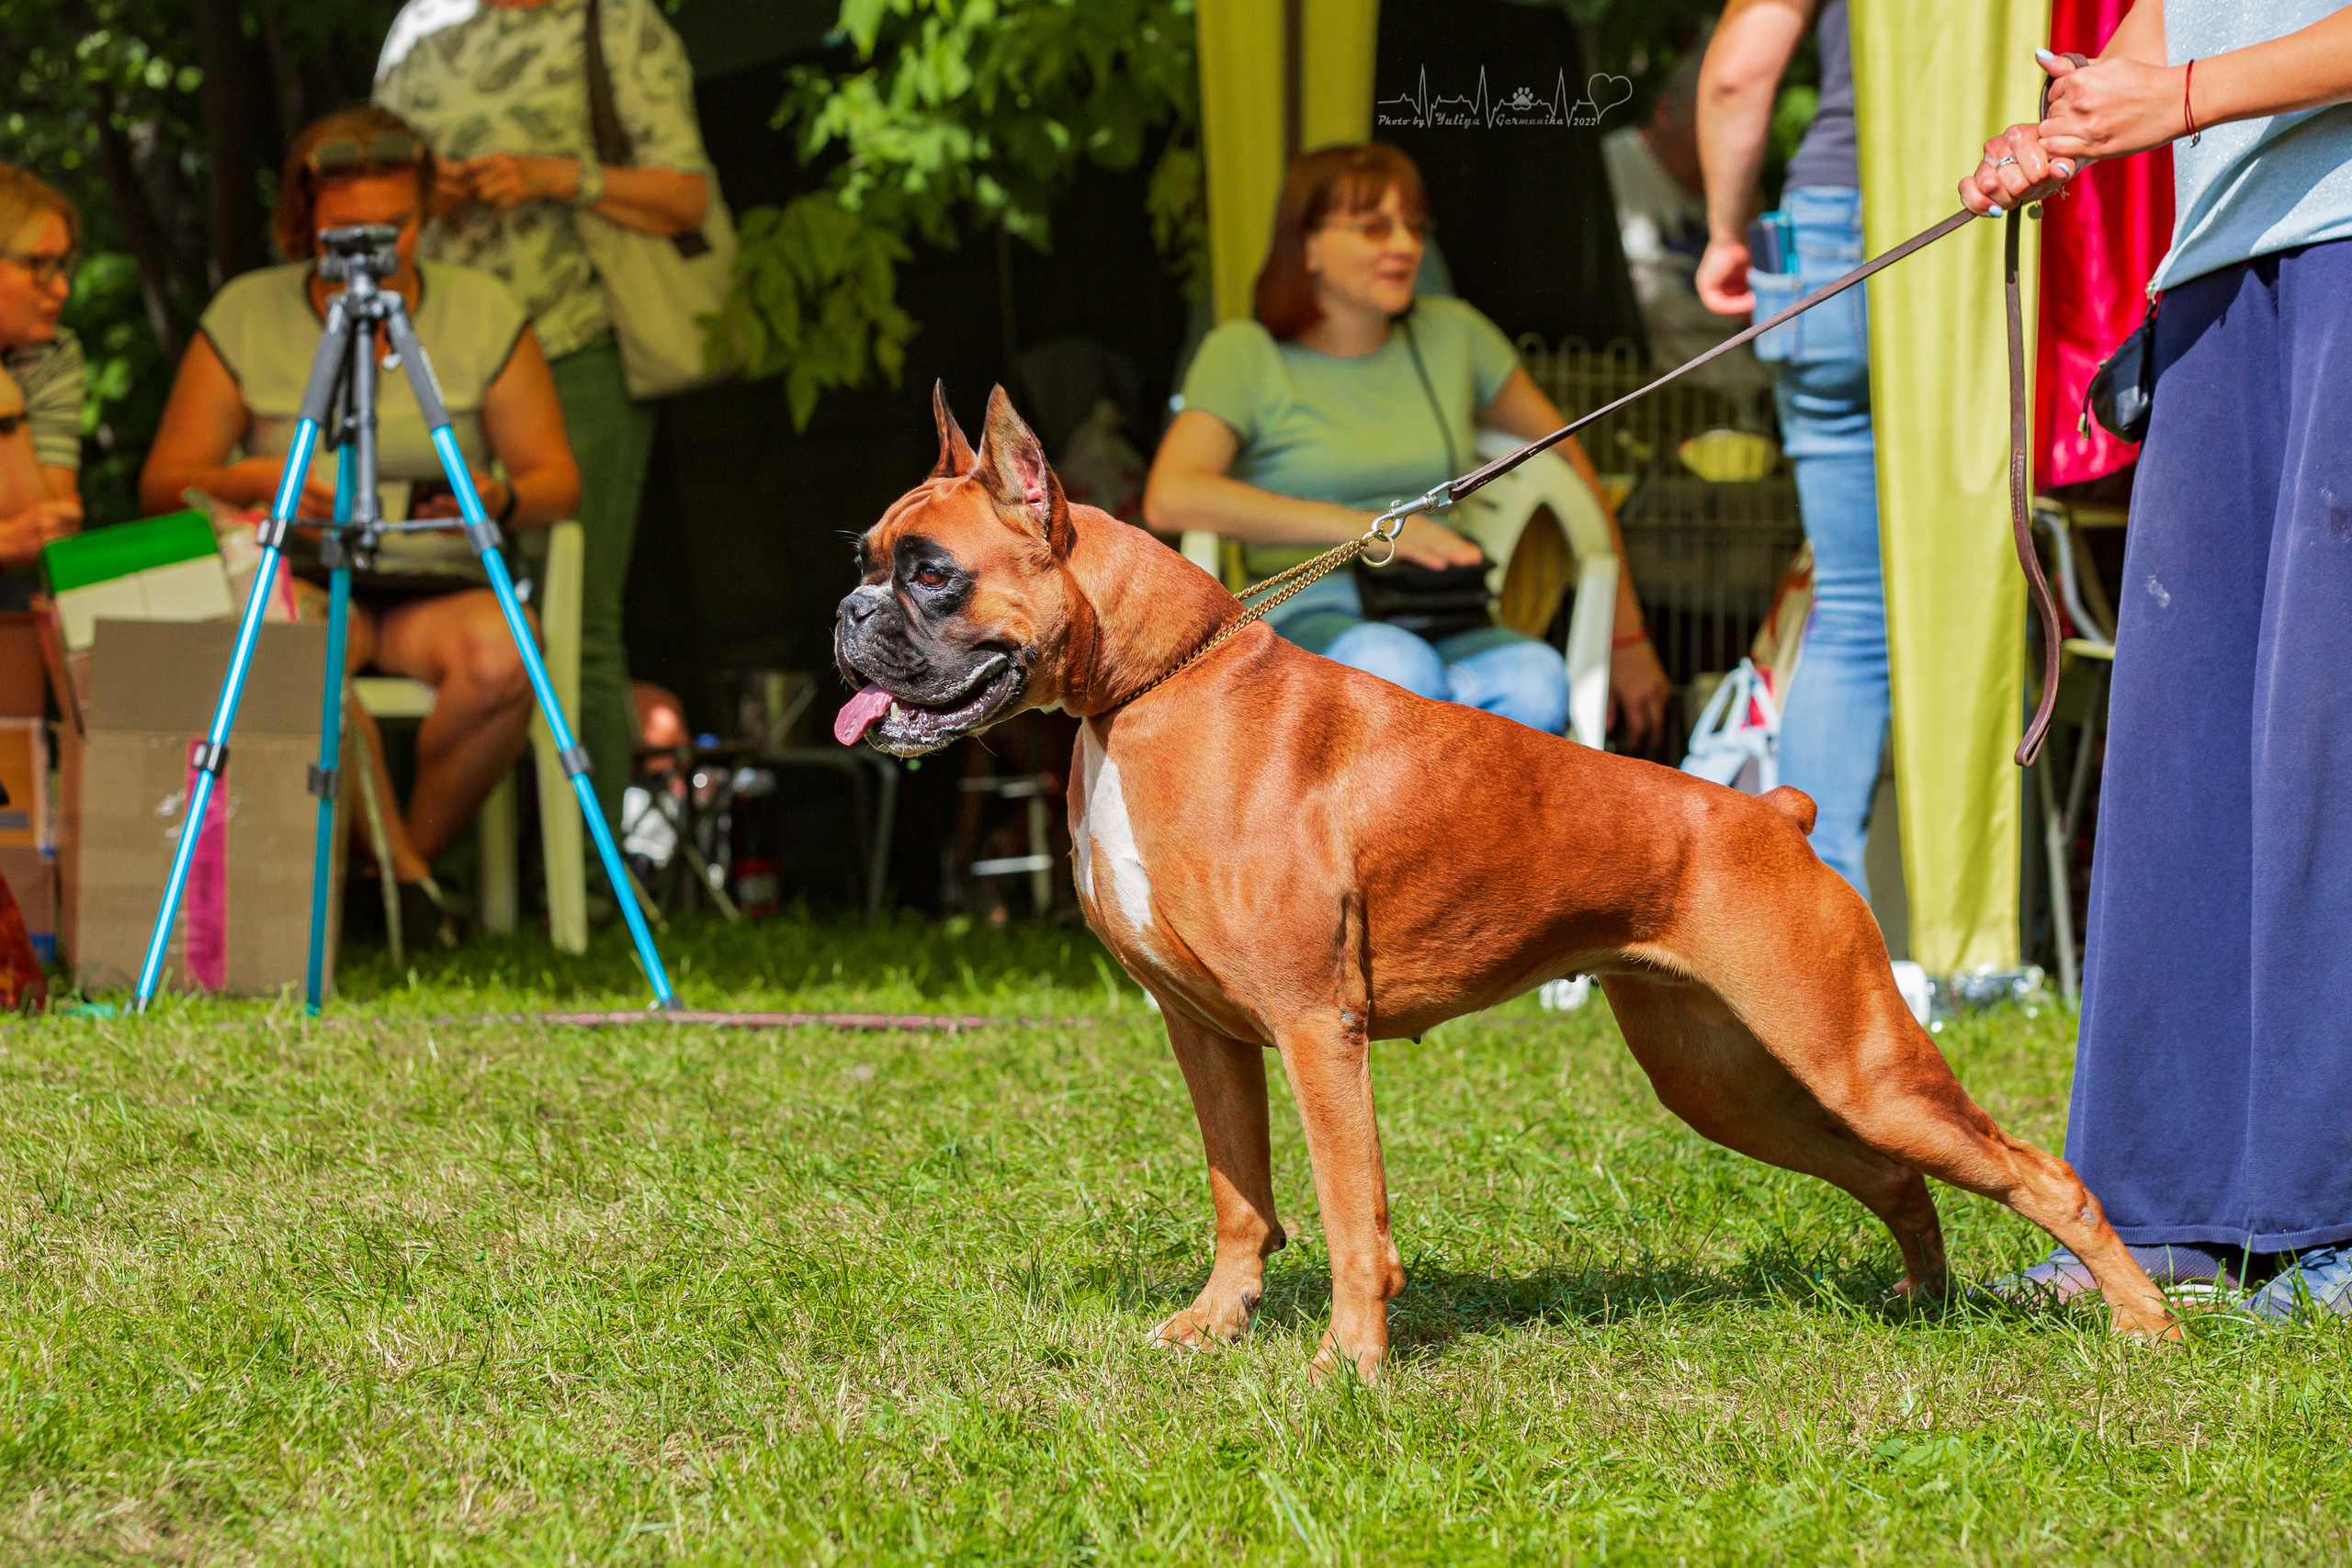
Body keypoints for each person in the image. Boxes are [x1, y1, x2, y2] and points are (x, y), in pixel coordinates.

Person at [1964, 4, 2352, 1320]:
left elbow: (2187, 68)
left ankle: (2330, 1214)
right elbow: (2176, 23)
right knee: (2181, 762)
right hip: (2219, 267)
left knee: (2328, 742)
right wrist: (2072, 124)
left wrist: (2182, 97)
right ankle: (2167, 1206)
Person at [141, 107, 582, 949]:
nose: (372, 255)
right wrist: (259, 480)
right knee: (298, 652)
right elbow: (164, 485)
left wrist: (492, 495)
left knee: (505, 656)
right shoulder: (247, 314)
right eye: (344, 235)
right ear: (303, 220)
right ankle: (408, 887)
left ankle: (381, 880)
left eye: (394, 228)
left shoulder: (483, 312)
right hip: (301, 573)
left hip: (435, 582)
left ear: (427, 216)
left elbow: (558, 482)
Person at [1146, 144, 1672, 747]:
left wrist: (1626, 636)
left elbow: (1567, 458)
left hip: (1441, 609)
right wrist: (1370, 530)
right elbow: (1172, 495)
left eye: (1414, 226)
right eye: (1374, 227)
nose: (1405, 245)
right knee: (1395, 670)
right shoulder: (1243, 353)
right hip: (1309, 613)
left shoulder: (1454, 334)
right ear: (1308, 245)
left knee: (1537, 680)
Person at [374, 0, 715, 863]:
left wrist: (554, 177)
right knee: (430, 598)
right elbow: (371, 186)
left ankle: (592, 885)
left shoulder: (615, 19)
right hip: (436, 364)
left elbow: (686, 197)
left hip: (574, 348)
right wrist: (434, 192)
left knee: (578, 615)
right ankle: (440, 876)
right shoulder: (420, 26)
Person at [1693, 0, 1884, 897]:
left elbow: (1737, 73)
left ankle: (1811, 915)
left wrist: (1725, 234)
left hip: (1829, 227)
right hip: (1999, 203)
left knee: (1850, 608)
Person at [1601, 52, 1770, 400]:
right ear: (1665, 112)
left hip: (1747, 394)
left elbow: (1764, 311)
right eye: (1715, 121)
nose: (1732, 140)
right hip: (1649, 393)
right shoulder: (1611, 166)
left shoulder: (1745, 192)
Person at [0, 165, 85, 596]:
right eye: (37, 265)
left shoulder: (51, 352)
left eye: (61, 265)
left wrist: (5, 401)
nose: (61, 289)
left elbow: (46, 535)